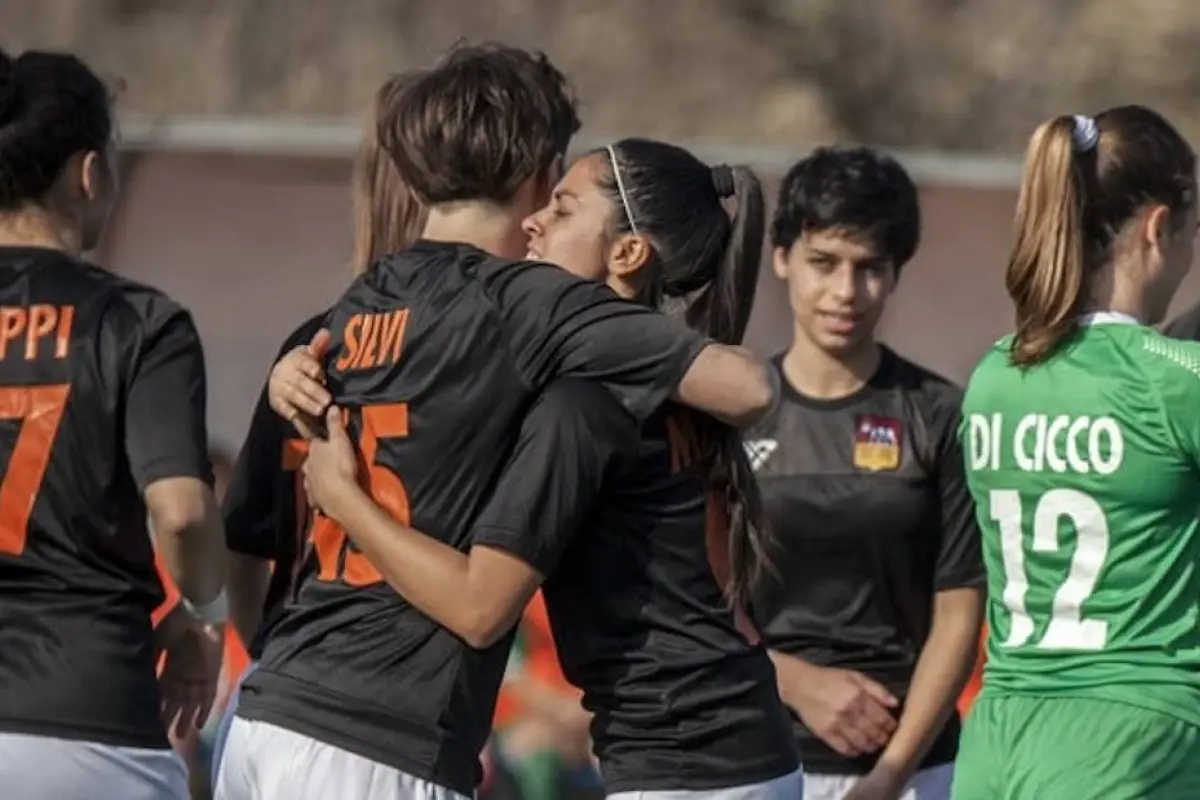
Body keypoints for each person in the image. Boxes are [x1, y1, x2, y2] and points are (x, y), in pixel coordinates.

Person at [218, 44, 776, 800]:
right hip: (382, 734)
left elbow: (244, 546)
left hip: (266, 712)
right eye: (558, 191)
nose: (546, 220)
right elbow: (747, 387)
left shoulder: (347, 311)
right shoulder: (530, 307)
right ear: (536, 171)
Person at [953, 107, 1200, 799]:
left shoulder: (996, 374)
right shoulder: (1174, 379)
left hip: (996, 742)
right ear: (1158, 228)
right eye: (1194, 232)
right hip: (1132, 742)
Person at [0, 47, 226, 800]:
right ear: (86, 173)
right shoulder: (138, 322)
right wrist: (203, 614)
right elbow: (184, 513)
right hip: (87, 717)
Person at [743, 147, 984, 800]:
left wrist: (889, 775)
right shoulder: (730, 414)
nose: (845, 292)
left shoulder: (939, 415)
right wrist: (795, 681)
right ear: (783, 257)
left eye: (869, 268)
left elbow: (960, 615)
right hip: (755, 764)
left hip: (912, 772)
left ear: (896, 272)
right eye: (824, 263)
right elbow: (693, 602)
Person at [210, 70, 428, 787]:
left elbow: (243, 549)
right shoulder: (473, 355)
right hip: (367, 729)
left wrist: (275, 654)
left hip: (273, 707)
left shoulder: (313, 342)